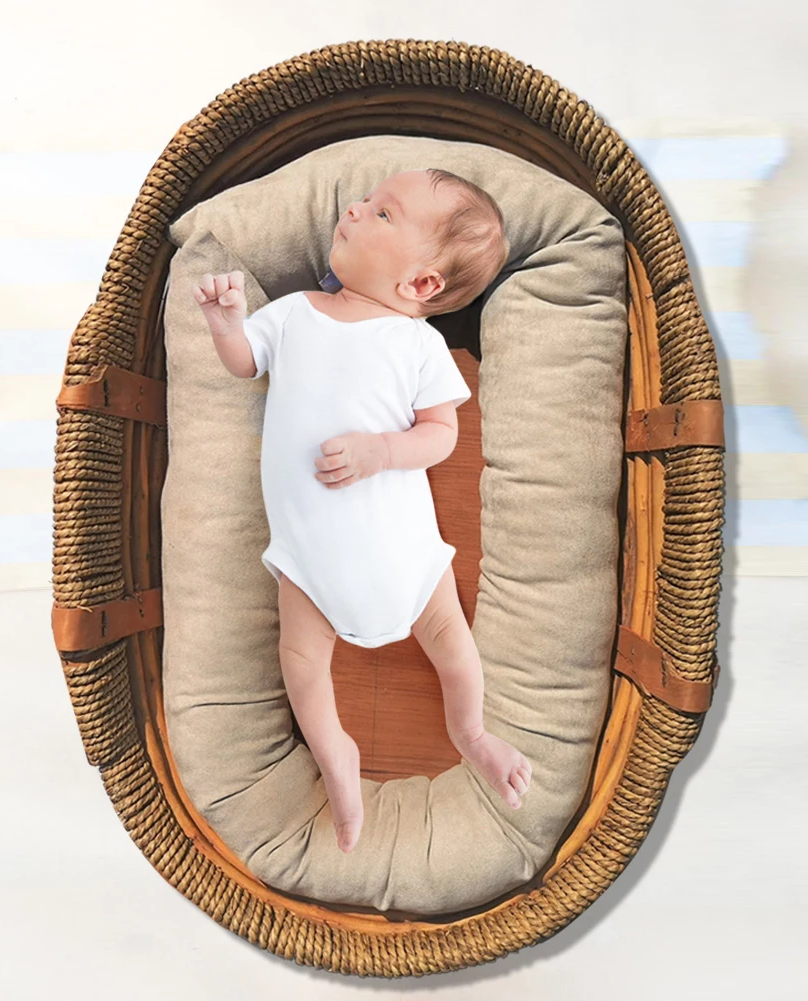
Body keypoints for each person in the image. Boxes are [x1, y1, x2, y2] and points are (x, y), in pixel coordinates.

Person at [193, 168, 531, 854]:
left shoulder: (417, 344)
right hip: (309, 558)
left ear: (421, 283)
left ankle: (470, 733)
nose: (354, 208)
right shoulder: (294, 313)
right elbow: (243, 362)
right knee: (301, 661)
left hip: (406, 552)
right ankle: (336, 754)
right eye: (366, 201)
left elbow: (440, 436)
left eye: (381, 213)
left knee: (454, 647)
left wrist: (382, 451)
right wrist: (225, 323)